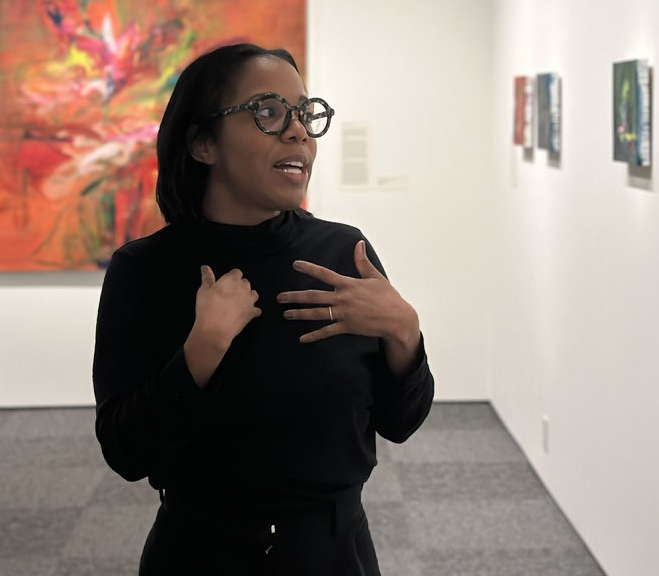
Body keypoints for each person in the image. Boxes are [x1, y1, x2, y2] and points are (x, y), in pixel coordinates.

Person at [92, 43, 435, 576]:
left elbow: (401, 421)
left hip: (333, 551)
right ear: (204, 142)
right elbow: (126, 452)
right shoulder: (145, 270)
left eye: (304, 113)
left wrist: (404, 334)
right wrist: (201, 351)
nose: (297, 131)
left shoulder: (345, 253)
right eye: (268, 112)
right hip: (198, 555)